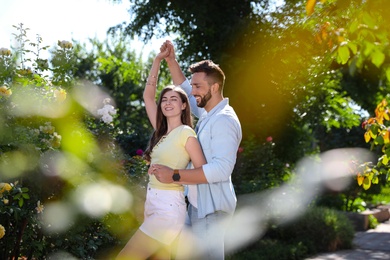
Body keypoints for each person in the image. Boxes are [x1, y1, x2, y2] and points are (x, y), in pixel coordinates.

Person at [151, 40, 242, 259]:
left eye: (198, 87)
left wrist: (173, 175)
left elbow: (221, 170)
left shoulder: (224, 120)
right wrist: (171, 61)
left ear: (215, 87)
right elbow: (184, 90)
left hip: (212, 212)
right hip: (196, 206)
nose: (193, 92)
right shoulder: (209, 113)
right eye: (193, 86)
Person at [116, 47, 206, 260]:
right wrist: (157, 60)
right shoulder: (161, 132)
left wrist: (174, 174)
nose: (167, 103)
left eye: (174, 99)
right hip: (153, 202)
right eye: (164, 100)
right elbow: (148, 96)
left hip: (168, 207)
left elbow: (203, 171)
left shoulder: (186, 133)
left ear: (184, 105)